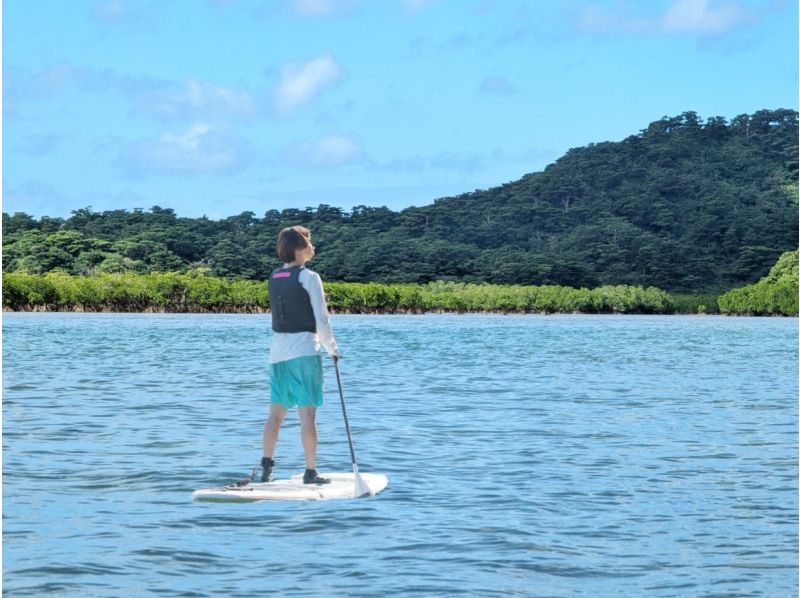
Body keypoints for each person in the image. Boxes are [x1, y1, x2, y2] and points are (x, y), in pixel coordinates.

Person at [258, 225, 339, 485]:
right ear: (300, 247)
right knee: (307, 414)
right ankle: (310, 471)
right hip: (304, 351)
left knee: (275, 414)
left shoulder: (274, 276)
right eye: (309, 240)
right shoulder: (310, 277)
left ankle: (266, 469)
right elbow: (322, 319)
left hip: (277, 354)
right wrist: (332, 350)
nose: (313, 245)